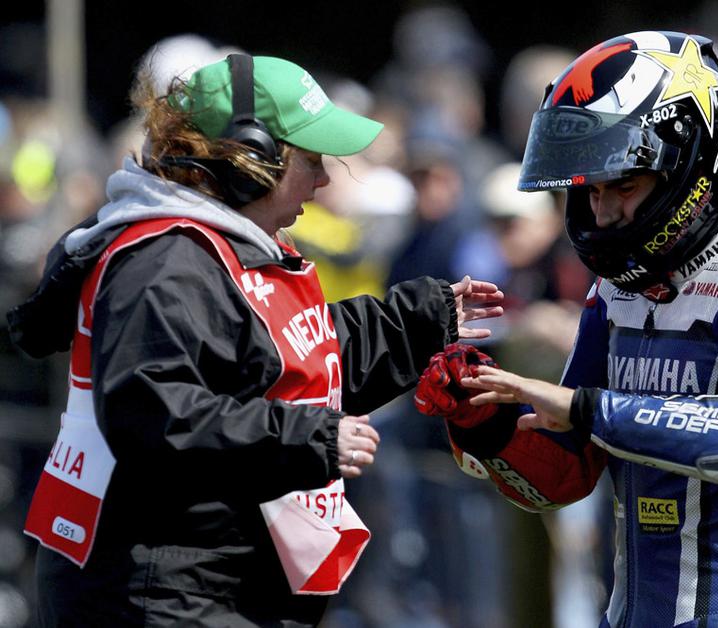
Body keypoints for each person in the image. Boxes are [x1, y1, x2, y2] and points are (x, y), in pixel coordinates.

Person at [6, 53, 503, 626]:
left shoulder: (217, 247)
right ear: (249, 159)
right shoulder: (164, 263)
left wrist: (420, 321)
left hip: (201, 581)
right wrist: (310, 437)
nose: (323, 179)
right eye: (311, 160)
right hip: (159, 592)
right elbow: (156, 415)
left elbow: (292, 358)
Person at [414, 31, 718, 627]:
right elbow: (564, 476)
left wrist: (586, 408)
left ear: (694, 161)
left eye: (624, 185)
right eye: (590, 191)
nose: (603, 212)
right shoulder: (616, 291)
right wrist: (485, 420)